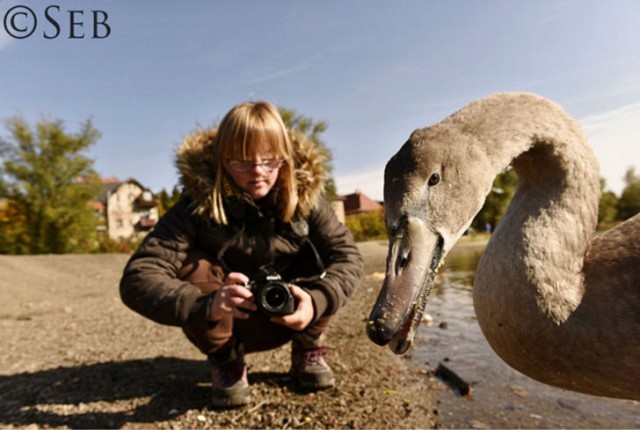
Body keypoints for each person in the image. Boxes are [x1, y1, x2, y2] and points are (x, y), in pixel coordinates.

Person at [119, 101, 364, 408]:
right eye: (242, 161)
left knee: (320, 254)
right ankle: (226, 361)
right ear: (222, 160)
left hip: (293, 317)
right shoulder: (195, 204)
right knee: (189, 264)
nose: (258, 172)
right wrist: (205, 305)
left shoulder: (307, 199)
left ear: (285, 157)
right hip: (224, 322)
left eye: (270, 160)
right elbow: (138, 276)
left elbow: (348, 257)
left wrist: (316, 303)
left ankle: (308, 347)